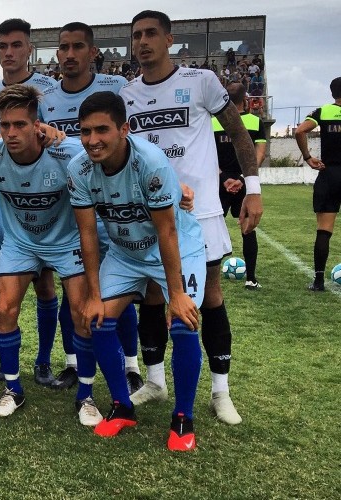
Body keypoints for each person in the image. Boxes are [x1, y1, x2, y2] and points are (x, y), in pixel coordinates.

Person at [120, 10, 262, 426]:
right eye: (136, 36)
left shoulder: (200, 82)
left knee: (210, 297)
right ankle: (154, 380)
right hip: (148, 215)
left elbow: (238, 132)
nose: (143, 42)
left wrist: (252, 190)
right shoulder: (127, 95)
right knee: (152, 295)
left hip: (198, 213)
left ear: (169, 39)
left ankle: (220, 392)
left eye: (151, 34)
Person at [69, 90, 207, 452]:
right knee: (97, 320)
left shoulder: (152, 163)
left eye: (102, 130)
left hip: (176, 250)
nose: (92, 140)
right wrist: (95, 296)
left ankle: (182, 417)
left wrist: (175, 294)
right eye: (85, 131)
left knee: (185, 323)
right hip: (125, 252)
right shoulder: (79, 169)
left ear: (124, 129)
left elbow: (167, 231)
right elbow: (87, 235)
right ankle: (122, 406)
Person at [0, 84, 99, 424]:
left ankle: (86, 394)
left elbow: (114, 150)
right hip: (20, 242)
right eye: (5, 125)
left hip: (65, 239)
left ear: (37, 124)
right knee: (3, 307)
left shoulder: (67, 151)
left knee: (82, 313)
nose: (11, 133)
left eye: (20, 125)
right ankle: (13, 388)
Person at [40, 22, 143, 393]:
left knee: (122, 291)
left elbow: (133, 143)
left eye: (77, 47)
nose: (69, 54)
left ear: (93, 51)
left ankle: (130, 366)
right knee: (76, 293)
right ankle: (72, 363)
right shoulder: (46, 98)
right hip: (70, 209)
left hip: (115, 210)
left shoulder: (116, 88)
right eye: (63, 48)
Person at [0, 18, 63, 387]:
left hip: (43, 201)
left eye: (16, 45)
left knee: (45, 284)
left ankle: (44, 361)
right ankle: (4, 361)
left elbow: (62, 139)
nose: (8, 53)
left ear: (29, 48)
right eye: (2, 46)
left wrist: (52, 133)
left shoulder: (49, 89)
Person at [214, 83, 267, 289]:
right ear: (245, 99)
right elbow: (258, 154)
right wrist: (244, 179)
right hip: (244, 183)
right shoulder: (255, 122)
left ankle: (208, 277)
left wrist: (223, 178)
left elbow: (207, 155)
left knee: (210, 230)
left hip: (219, 183)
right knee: (248, 229)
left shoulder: (213, 121)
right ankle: (251, 279)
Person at [295, 77, 341, 291]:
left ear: (332, 94)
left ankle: (319, 281)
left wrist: (307, 157)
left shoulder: (323, 112)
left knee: (324, 231)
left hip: (329, 174)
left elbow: (299, 131)